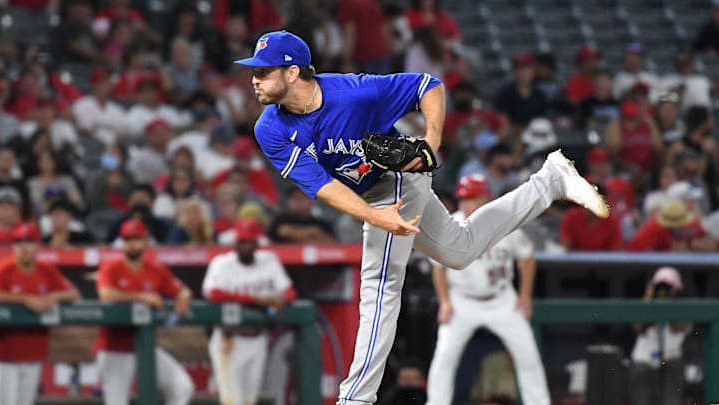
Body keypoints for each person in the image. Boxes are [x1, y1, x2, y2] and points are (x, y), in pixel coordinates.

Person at [235, 30, 607, 405]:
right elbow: (323, 186)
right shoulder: (270, 128)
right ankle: (550, 182)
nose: (254, 79)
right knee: (459, 250)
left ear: (293, 72)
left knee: (380, 281)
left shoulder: (355, 92)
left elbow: (428, 85)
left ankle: (355, 399)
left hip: (399, 176)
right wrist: (375, 217)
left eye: (263, 72)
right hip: (370, 193)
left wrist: (431, 140)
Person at [425, 174, 550, 405]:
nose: (466, 204)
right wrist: (445, 301)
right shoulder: (451, 225)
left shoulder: (503, 222)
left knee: (528, 357)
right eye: (463, 198)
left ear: (485, 197)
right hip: (462, 301)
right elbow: (438, 267)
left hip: (502, 300)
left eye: (472, 197)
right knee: (444, 358)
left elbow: (527, 258)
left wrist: (524, 296)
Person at [94, 218, 195, 405]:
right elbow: (106, 294)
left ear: (146, 241)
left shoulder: (155, 269)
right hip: (114, 347)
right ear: (122, 243)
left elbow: (181, 290)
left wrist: (183, 296)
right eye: (128, 240)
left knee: (182, 387)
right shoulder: (112, 267)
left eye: (137, 239)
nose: (132, 244)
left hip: (145, 346)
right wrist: (142, 297)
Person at [202, 218, 297, 405]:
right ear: (235, 242)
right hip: (228, 339)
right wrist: (256, 300)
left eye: (249, 242)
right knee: (232, 401)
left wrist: (280, 300)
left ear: (256, 243)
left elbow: (290, 292)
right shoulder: (222, 263)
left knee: (249, 401)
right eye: (242, 241)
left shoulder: (269, 262)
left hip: (258, 338)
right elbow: (212, 294)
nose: (245, 246)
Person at [0, 222, 81, 405]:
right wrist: (24, 299)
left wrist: (54, 296)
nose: (23, 247)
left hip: (34, 351)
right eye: (19, 242)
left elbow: (74, 293)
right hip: (4, 354)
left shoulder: (46, 271)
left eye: (29, 242)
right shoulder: (5, 269)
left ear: (38, 246)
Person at [630, 266, 690, 405]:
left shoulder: (684, 308)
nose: (663, 291)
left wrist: (667, 304)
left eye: (668, 287)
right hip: (643, 361)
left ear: (676, 289)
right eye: (660, 287)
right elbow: (636, 327)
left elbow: (679, 327)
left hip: (671, 361)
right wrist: (648, 298)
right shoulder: (648, 306)